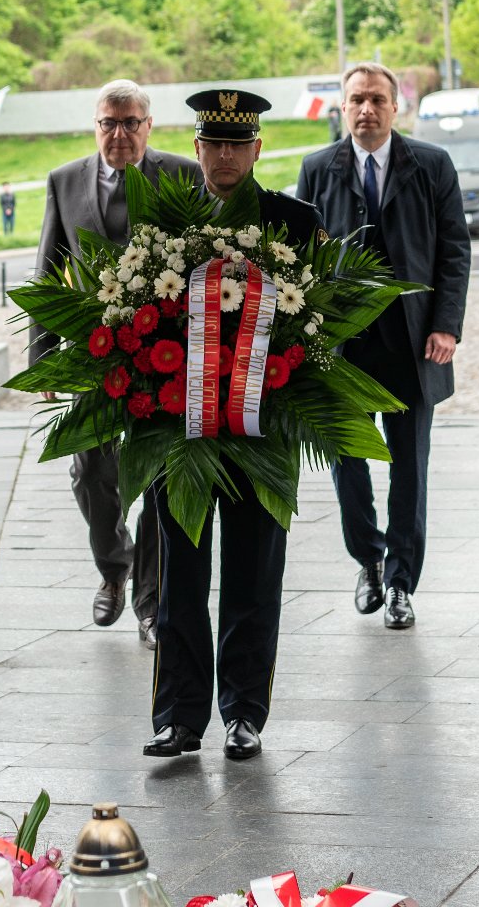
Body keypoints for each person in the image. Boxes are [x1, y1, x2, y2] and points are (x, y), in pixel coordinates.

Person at [144, 87, 324, 763]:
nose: (223, 155)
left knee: (253, 573)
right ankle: (179, 718)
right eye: (212, 143)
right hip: (179, 430)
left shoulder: (295, 222)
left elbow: (320, 324)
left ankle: (243, 714)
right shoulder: (161, 224)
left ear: (256, 148)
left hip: (258, 427)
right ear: (195, 149)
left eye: (236, 143)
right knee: (180, 578)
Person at [297, 61, 472, 631]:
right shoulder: (318, 169)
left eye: (376, 99)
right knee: (347, 462)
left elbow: (454, 249)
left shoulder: (431, 165)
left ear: (396, 107)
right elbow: (298, 260)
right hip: (343, 348)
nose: (366, 109)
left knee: (409, 469)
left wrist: (445, 325)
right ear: (342, 108)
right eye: (356, 100)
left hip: (412, 344)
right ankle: (368, 558)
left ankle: (400, 581)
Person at [34, 79, 202, 649]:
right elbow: (46, 276)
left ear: (148, 126)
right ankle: (113, 565)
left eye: (131, 122)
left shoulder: (180, 173)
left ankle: (150, 605)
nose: (120, 133)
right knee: (89, 475)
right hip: (93, 360)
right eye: (109, 122)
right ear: (95, 125)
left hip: (164, 358)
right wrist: (41, 363)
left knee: (156, 479)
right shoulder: (63, 183)